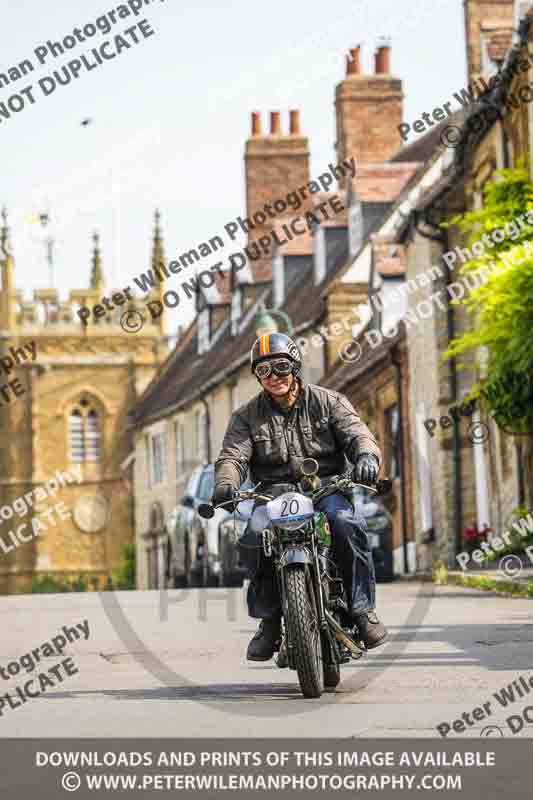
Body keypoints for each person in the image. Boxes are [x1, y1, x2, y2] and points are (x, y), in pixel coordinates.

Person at [213, 332, 387, 661]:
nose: (274, 377)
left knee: (345, 523)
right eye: (264, 371)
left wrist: (366, 458)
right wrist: (225, 484)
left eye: (280, 367)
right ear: (257, 376)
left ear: (295, 367)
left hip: (325, 487)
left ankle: (363, 611)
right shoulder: (245, 417)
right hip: (273, 494)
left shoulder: (329, 401)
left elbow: (358, 433)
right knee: (253, 536)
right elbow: (232, 457)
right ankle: (269, 620)